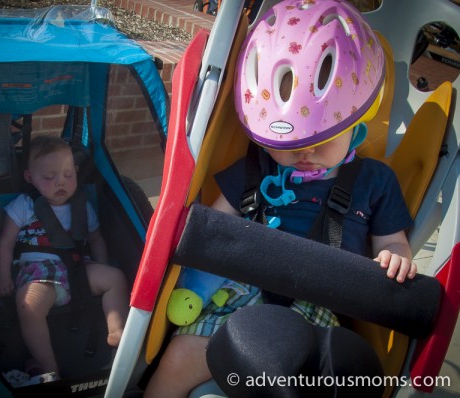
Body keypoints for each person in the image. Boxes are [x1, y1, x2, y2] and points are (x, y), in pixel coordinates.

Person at [144, 0, 417, 396]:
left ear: (356, 121)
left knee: (306, 374)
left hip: (318, 302)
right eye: (287, 144)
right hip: (239, 290)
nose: (304, 153)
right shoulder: (256, 168)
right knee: (182, 352)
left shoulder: (375, 181)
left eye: (321, 140)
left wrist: (396, 257)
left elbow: (393, 243)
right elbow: (211, 231)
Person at [0, 135, 129, 382]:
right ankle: (49, 367)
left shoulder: (82, 205)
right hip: (39, 271)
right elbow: (5, 243)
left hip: (77, 268)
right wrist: (3, 277)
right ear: (29, 178)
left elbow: (96, 238)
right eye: (49, 177)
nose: (61, 182)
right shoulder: (24, 206)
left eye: (68, 175)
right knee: (28, 305)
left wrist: (101, 264)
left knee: (115, 278)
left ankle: (116, 331)